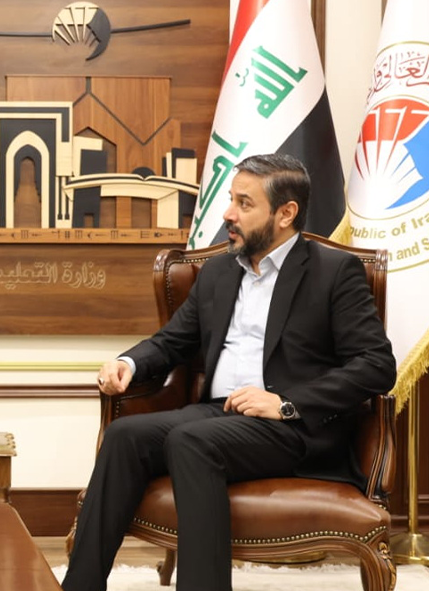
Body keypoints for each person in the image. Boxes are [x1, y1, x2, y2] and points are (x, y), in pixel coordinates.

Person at [61, 153, 396, 591]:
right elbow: (173, 340)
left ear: (285, 213)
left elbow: (376, 364)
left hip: (291, 426)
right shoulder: (218, 271)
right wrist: (128, 363)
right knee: (125, 436)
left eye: (244, 203)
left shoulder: (333, 272)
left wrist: (285, 403)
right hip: (216, 415)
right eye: (231, 199)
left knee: (191, 440)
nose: (228, 214)